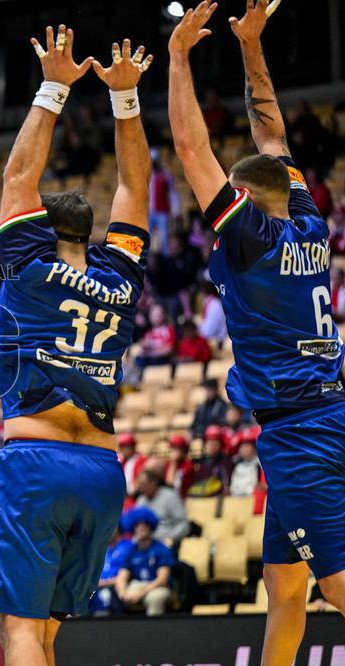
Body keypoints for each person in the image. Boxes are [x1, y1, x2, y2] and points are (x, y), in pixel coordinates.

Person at [168, 2, 345, 661]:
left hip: (298, 431)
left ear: (246, 201)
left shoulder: (253, 236)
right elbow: (271, 137)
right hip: (323, 411)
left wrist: (180, 56)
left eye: (231, 197)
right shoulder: (307, 220)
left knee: (334, 585)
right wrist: (249, 46)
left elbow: (191, 149)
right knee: (286, 589)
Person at [0, 25, 153, 666]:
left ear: (40, 226)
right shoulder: (121, 274)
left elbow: (18, 170)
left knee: (20, 633)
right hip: (103, 473)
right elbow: (134, 189)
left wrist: (55, 85)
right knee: (49, 635)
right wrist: (126, 100)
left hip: (35, 462)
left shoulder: (27, 262)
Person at [115, 508, 173, 616]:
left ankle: (152, 631)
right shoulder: (131, 550)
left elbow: (162, 580)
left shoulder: (161, 549)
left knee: (155, 598)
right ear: (133, 528)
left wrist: (140, 594)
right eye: (138, 525)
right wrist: (122, 591)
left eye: (145, 524)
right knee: (122, 595)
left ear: (150, 526)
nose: (141, 528)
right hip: (138, 584)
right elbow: (122, 575)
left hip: (157, 586)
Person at [135, 470, 189, 545]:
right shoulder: (141, 500)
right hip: (145, 543)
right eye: (140, 485)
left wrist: (171, 538)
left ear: (154, 483)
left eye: (144, 484)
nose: (141, 489)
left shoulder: (170, 496)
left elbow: (183, 525)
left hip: (166, 541)